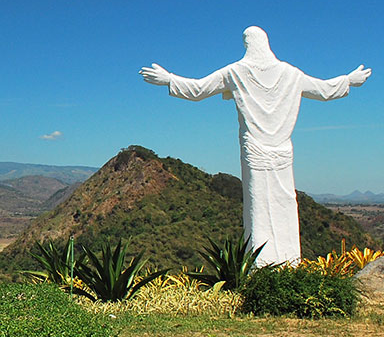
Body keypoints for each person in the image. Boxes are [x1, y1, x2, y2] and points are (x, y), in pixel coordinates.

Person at [140, 26, 371, 265]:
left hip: (255, 151)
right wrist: (348, 81)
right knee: (284, 202)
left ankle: (264, 266)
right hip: (282, 151)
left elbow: (198, 90)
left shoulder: (236, 71)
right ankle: (288, 263)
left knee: (259, 207)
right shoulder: (290, 73)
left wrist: (169, 79)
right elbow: (324, 90)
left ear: (246, 44)